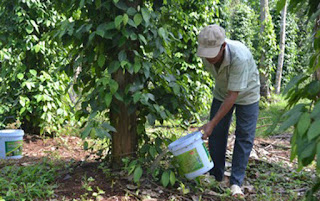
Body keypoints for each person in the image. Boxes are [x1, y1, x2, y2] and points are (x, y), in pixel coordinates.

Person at [196, 24, 260, 197]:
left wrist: (211, 123)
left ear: (223, 46)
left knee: (244, 136)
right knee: (216, 133)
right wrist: (214, 125)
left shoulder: (240, 57)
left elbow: (233, 96)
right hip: (222, 92)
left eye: (212, 54)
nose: (208, 58)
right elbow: (226, 92)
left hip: (247, 94)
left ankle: (236, 183)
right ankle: (215, 175)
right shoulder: (206, 54)